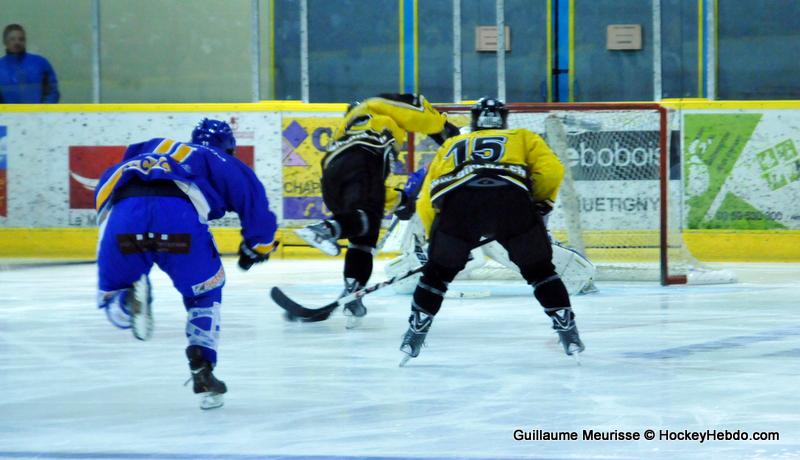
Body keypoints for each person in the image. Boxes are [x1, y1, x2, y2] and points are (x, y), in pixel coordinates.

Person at [95, 119, 278, 409]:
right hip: (178, 220)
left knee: (112, 291)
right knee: (204, 292)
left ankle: (126, 300)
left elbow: (105, 188)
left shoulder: (149, 151)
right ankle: (202, 368)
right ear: (229, 147)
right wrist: (257, 247)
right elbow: (255, 206)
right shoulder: (221, 159)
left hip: (123, 216)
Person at [399, 98, 586, 365]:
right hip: (510, 200)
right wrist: (538, 205)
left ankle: (414, 335)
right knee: (540, 271)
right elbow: (552, 170)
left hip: (459, 206)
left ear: (474, 120)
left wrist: (437, 242)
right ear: (504, 119)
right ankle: (568, 332)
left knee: (437, 275)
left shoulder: (451, 144)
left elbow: (427, 197)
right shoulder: (521, 136)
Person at [295, 93, 458, 328]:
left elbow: (375, 194)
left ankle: (353, 292)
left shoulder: (343, 132)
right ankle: (325, 229)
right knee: (365, 220)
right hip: (364, 159)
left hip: (332, 179)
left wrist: (400, 200)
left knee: (363, 235)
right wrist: (442, 128)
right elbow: (404, 111)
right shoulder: (374, 114)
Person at [0, 24, 60, 103]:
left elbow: (52, 91)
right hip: (7, 114)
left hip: (38, 114)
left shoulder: (40, 63)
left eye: (21, 39)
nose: (17, 42)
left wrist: (44, 111)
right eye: (12, 39)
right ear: (5, 41)